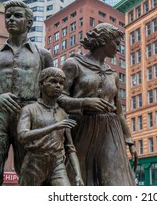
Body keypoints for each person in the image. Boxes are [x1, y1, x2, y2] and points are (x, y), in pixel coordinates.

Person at [0, 1, 53, 185]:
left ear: (29, 23)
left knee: (32, 174)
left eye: (17, 16)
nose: (11, 19)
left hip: (31, 117)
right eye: (8, 16)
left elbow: (53, 92)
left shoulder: (43, 55)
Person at [58, 23, 137, 186]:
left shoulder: (113, 74)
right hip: (81, 128)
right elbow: (58, 98)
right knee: (77, 180)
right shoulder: (74, 64)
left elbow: (119, 112)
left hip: (110, 130)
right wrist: (85, 102)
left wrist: (129, 140)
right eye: (116, 43)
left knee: (116, 181)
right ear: (104, 40)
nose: (118, 48)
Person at [17, 67, 84, 186]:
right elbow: (23, 135)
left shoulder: (63, 113)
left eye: (61, 83)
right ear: (41, 84)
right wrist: (54, 127)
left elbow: (70, 148)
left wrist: (78, 174)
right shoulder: (29, 110)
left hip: (57, 163)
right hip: (34, 162)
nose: (58, 86)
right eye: (53, 82)